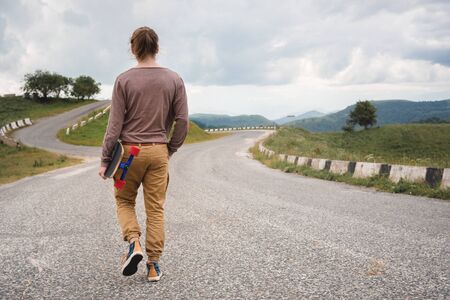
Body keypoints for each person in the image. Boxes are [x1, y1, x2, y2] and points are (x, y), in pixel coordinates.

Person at [98, 26, 189, 282]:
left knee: (125, 201)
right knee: (156, 209)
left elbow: (114, 126)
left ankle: (134, 242)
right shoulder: (174, 79)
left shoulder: (123, 80)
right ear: (157, 47)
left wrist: (106, 160)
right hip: (159, 152)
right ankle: (153, 265)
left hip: (129, 154)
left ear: (133, 48)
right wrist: (170, 148)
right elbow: (182, 120)